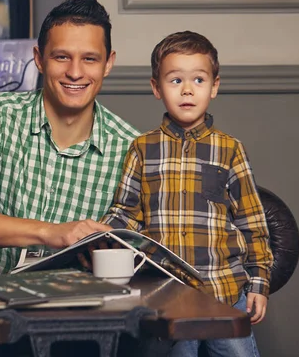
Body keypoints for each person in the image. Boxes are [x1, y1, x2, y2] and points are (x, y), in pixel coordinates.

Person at [0, 0, 140, 274]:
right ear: (39, 59)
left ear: (107, 64)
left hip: (80, 301)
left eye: (89, 59)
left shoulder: (130, 147)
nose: (75, 73)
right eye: (61, 57)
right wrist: (50, 233)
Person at [101, 31, 273, 357]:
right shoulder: (142, 149)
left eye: (198, 79)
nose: (188, 89)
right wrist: (102, 236)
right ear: (156, 88)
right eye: (175, 80)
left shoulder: (230, 150)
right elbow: (125, 213)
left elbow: (252, 223)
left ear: (214, 87)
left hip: (224, 290)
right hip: (166, 296)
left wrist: (259, 285)